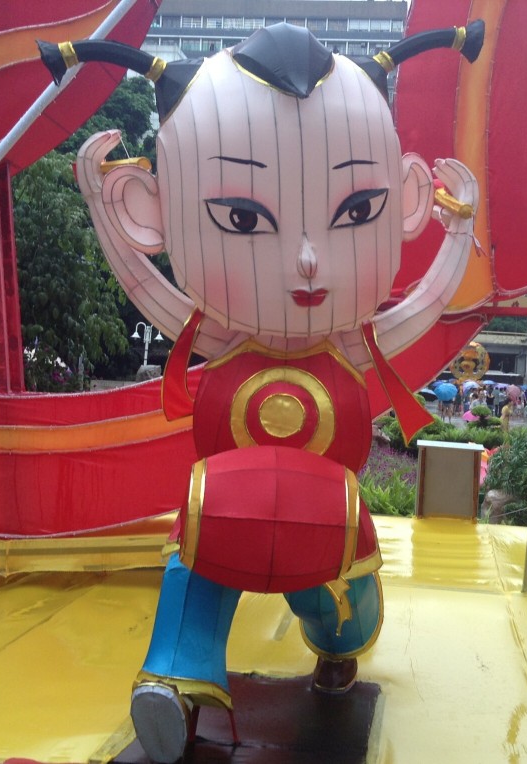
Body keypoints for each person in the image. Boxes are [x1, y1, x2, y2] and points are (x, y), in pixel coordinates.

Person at [44, 21, 483, 762]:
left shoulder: (345, 343)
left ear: (409, 198)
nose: (308, 261)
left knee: (341, 607)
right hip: (224, 507)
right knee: (197, 551)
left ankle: (334, 647)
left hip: (332, 528)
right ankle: (177, 685)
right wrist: (98, 206)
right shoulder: (223, 336)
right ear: (147, 210)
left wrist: (458, 232)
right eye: (243, 219)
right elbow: (148, 290)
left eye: (353, 212)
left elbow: (425, 305)